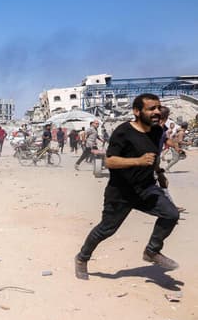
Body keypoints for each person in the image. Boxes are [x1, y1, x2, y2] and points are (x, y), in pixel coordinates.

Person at [73, 94, 180, 280]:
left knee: (171, 214)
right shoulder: (123, 132)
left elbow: (153, 156)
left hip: (146, 188)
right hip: (121, 192)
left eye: (158, 108)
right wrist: (138, 161)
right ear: (137, 111)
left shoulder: (156, 131)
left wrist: (160, 173)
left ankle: (152, 251)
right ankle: (82, 258)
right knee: (106, 229)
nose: (157, 112)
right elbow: (109, 161)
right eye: (151, 109)